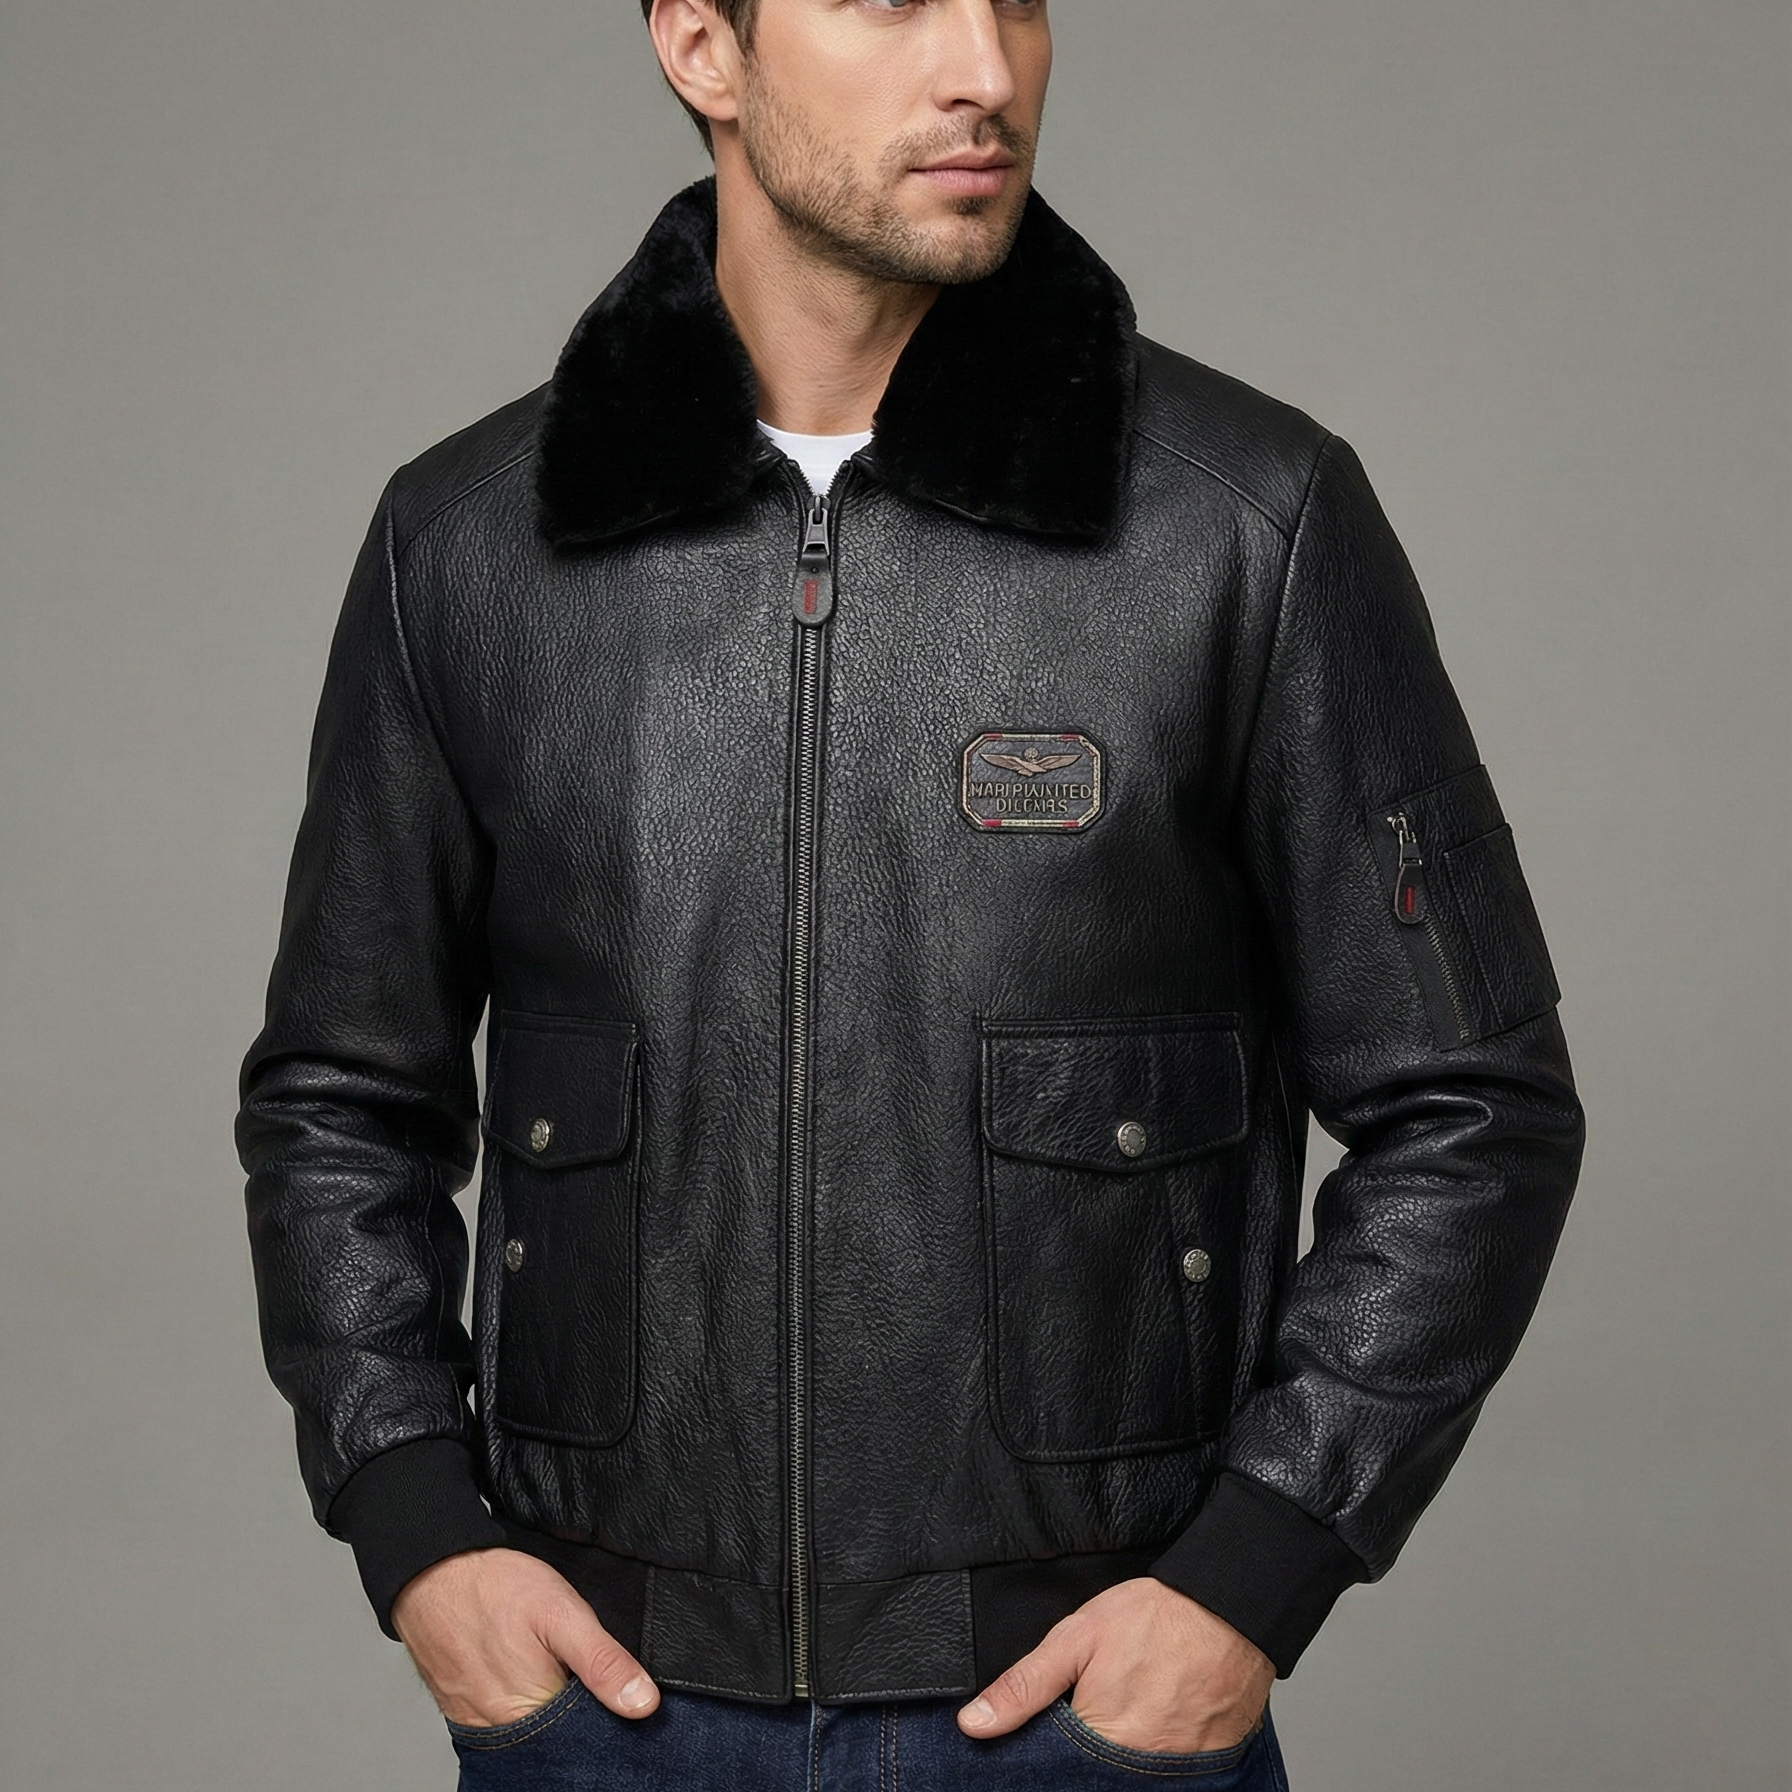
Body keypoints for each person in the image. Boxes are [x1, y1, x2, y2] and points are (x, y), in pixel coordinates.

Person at [238, 1, 1585, 1786]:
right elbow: (342, 1097)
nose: (984, 69)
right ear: (702, 45)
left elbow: (1474, 1102)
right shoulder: (470, 547)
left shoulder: (1247, 526)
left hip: (1079, 1719)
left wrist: (1256, 1573)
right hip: (611, 1712)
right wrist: (417, 1530)